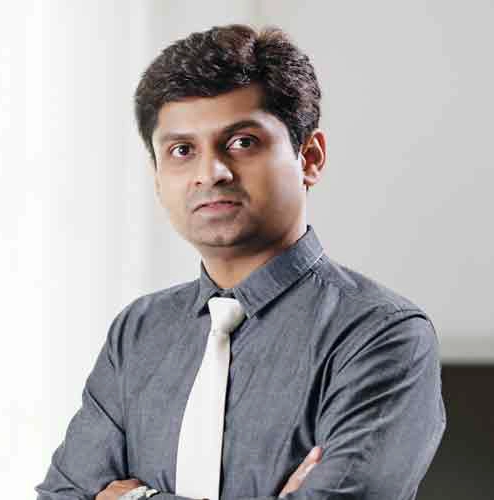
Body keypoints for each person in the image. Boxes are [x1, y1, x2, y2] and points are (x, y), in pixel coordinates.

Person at [35, 23, 446, 500]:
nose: (211, 172)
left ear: (310, 157)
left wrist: (132, 497)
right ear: (157, 176)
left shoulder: (381, 335)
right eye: (182, 150)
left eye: (242, 142)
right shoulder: (139, 332)